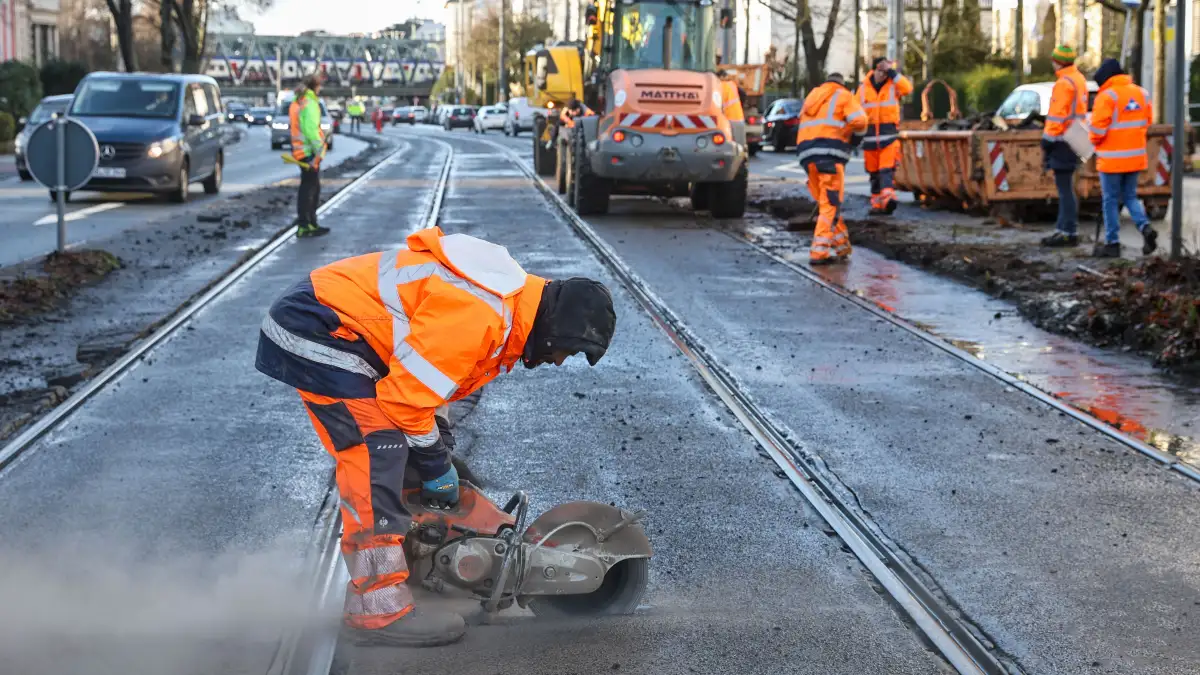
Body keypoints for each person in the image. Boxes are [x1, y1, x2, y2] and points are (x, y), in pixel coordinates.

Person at [255, 226, 617, 648]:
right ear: (555, 328)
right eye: (567, 352)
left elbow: (429, 387)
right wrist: (434, 464)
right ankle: (377, 609)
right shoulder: (480, 314)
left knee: (408, 449)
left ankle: (409, 565)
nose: (557, 362)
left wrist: (437, 451)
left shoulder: (504, 313)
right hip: (319, 329)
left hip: (338, 330)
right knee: (379, 453)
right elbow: (406, 403)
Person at [1087, 58, 1158, 257]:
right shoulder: (1141, 93)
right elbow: (1148, 121)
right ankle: (1145, 228)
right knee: (1130, 197)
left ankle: (1112, 243)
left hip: (1111, 160)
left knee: (1110, 200)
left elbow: (1097, 132)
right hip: (1135, 157)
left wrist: (1093, 140)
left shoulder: (1106, 96)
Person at [796, 73, 868, 264]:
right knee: (830, 204)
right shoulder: (844, 96)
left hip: (806, 155)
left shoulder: (812, 96)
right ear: (842, 84)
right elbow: (860, 121)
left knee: (827, 204)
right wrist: (854, 138)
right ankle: (819, 252)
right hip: (829, 154)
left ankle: (842, 246)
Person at [1040, 45, 1089, 248]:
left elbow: (1057, 116)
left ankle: (1067, 231)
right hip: (1075, 137)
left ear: (1058, 62)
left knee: (1064, 189)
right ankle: (1064, 229)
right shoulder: (1079, 79)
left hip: (1062, 140)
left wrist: (1047, 140)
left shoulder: (1063, 83)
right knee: (1067, 187)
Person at [855, 57, 913, 215]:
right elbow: (855, 113)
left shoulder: (893, 85)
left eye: (886, 71)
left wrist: (892, 72)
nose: (884, 74)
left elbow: (908, 88)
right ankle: (877, 204)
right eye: (881, 70)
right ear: (873, 70)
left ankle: (888, 200)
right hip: (870, 139)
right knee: (873, 174)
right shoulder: (863, 89)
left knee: (886, 170)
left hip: (889, 137)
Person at [289, 75, 329, 239]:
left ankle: (309, 223)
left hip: (301, 151)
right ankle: (306, 225)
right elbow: (311, 129)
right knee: (310, 189)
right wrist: (319, 152)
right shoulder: (310, 103)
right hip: (309, 153)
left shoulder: (298, 101)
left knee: (310, 187)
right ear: (316, 86)